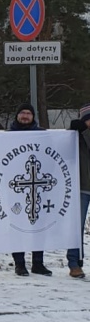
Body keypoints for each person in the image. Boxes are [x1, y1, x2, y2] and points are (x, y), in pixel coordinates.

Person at [8, 103, 52, 277]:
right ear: (17, 115)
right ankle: (19, 263)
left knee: (38, 226)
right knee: (18, 226)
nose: (25, 116)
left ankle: (38, 263)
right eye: (22, 113)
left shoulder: (42, 135)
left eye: (28, 113)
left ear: (33, 117)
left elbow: (50, 157)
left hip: (38, 187)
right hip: (16, 188)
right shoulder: (8, 136)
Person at [67, 103, 90, 278]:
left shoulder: (83, 134)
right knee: (76, 228)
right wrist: (76, 130)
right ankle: (74, 263)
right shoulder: (75, 137)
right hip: (81, 187)